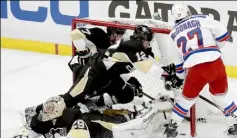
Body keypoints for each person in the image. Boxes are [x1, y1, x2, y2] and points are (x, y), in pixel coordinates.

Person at [20, 25, 155, 130]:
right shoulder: (100, 36)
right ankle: (36, 110)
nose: (119, 36)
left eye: (121, 33)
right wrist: (83, 53)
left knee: (127, 93)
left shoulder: (120, 47)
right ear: (110, 33)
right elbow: (75, 35)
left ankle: (94, 103)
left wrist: (130, 81)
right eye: (117, 33)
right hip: (89, 72)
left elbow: (116, 68)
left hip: (105, 77)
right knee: (71, 99)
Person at [6, 94, 173, 138]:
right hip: (98, 124)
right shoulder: (44, 118)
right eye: (47, 108)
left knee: (135, 126)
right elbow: (34, 128)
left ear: (59, 110)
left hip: (107, 130)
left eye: (51, 108)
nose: (47, 111)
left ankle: (162, 110)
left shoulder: (72, 116)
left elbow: (82, 136)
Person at [162, 3, 237, 138]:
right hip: (216, 64)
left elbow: (179, 63)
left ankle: (172, 127)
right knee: (219, 96)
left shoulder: (173, 34)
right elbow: (224, 36)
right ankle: (235, 120)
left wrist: (180, 78)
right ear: (188, 11)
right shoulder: (203, 18)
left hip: (196, 70)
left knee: (186, 101)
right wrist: (214, 48)